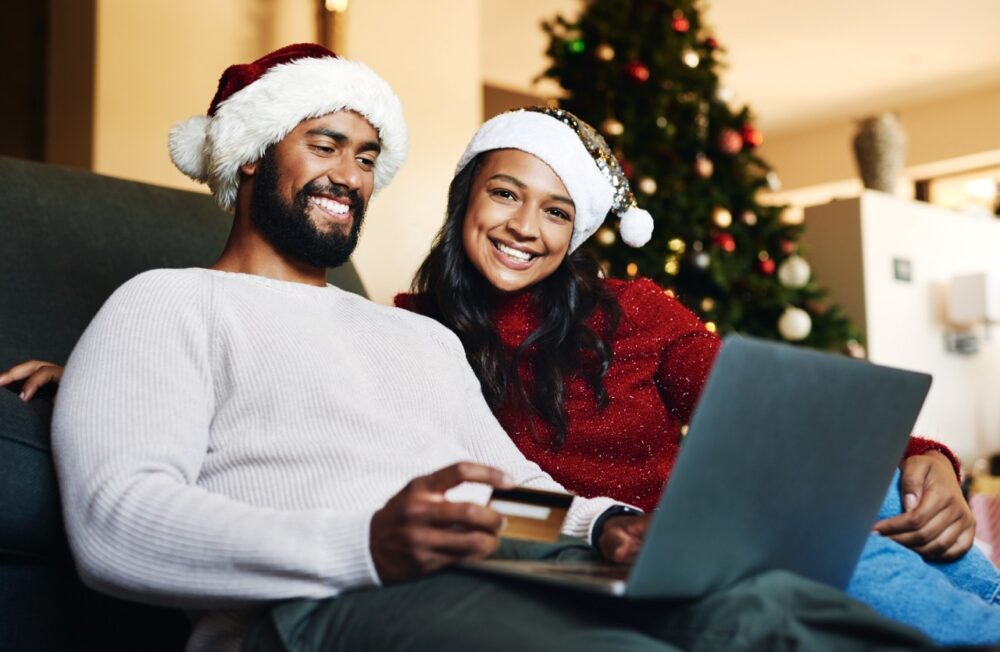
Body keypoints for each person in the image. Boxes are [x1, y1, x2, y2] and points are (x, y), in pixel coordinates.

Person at [31, 44, 937, 652]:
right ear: (252, 156)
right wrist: (367, 542)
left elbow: (505, 489)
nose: (351, 173)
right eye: (326, 144)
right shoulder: (166, 304)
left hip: (510, 557)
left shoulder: (415, 336)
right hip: (328, 597)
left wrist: (602, 524)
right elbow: (116, 527)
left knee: (776, 612)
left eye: (368, 155)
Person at [391, 106, 1000, 645]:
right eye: (505, 193)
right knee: (821, 538)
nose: (526, 227)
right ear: (465, 195)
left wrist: (925, 455)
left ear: (574, 233)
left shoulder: (632, 309)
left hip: (705, 525)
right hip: (616, 552)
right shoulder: (411, 332)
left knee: (884, 496)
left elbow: (765, 413)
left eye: (556, 211)